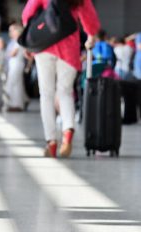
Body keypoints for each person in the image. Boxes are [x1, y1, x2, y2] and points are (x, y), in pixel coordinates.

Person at [22, 0, 100, 158]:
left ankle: (51, 142)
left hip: (45, 46)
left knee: (47, 95)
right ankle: (68, 132)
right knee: (65, 92)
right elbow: (90, 18)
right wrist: (91, 36)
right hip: (69, 49)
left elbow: (27, 13)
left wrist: (30, 38)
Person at [5, 23, 30, 112]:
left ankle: (17, 105)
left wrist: (7, 54)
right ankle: (25, 100)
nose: (11, 32)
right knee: (18, 83)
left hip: (17, 64)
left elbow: (13, 54)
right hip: (14, 64)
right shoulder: (14, 41)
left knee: (15, 84)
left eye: (13, 30)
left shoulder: (18, 41)